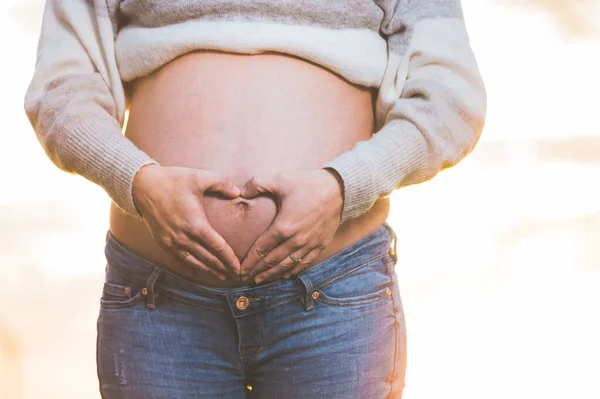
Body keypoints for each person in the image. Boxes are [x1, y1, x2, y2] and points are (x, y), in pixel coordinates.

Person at [24, 1, 486, 398]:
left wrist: (343, 187)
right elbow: (62, 87)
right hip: (160, 299)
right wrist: (138, 180)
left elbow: (449, 98)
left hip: (333, 296)